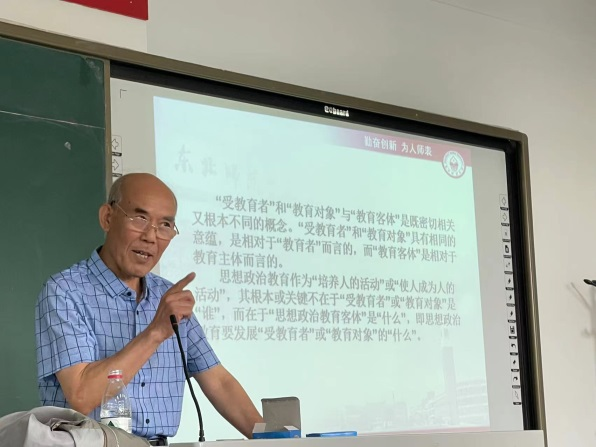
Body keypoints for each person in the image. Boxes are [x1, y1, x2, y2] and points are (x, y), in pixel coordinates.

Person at [35, 173, 263, 444]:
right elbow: (81, 394)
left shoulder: (166, 296)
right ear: (107, 218)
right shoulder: (65, 291)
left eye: (165, 225)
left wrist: (275, 438)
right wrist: (155, 332)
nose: (151, 237)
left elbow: (219, 382)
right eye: (139, 218)